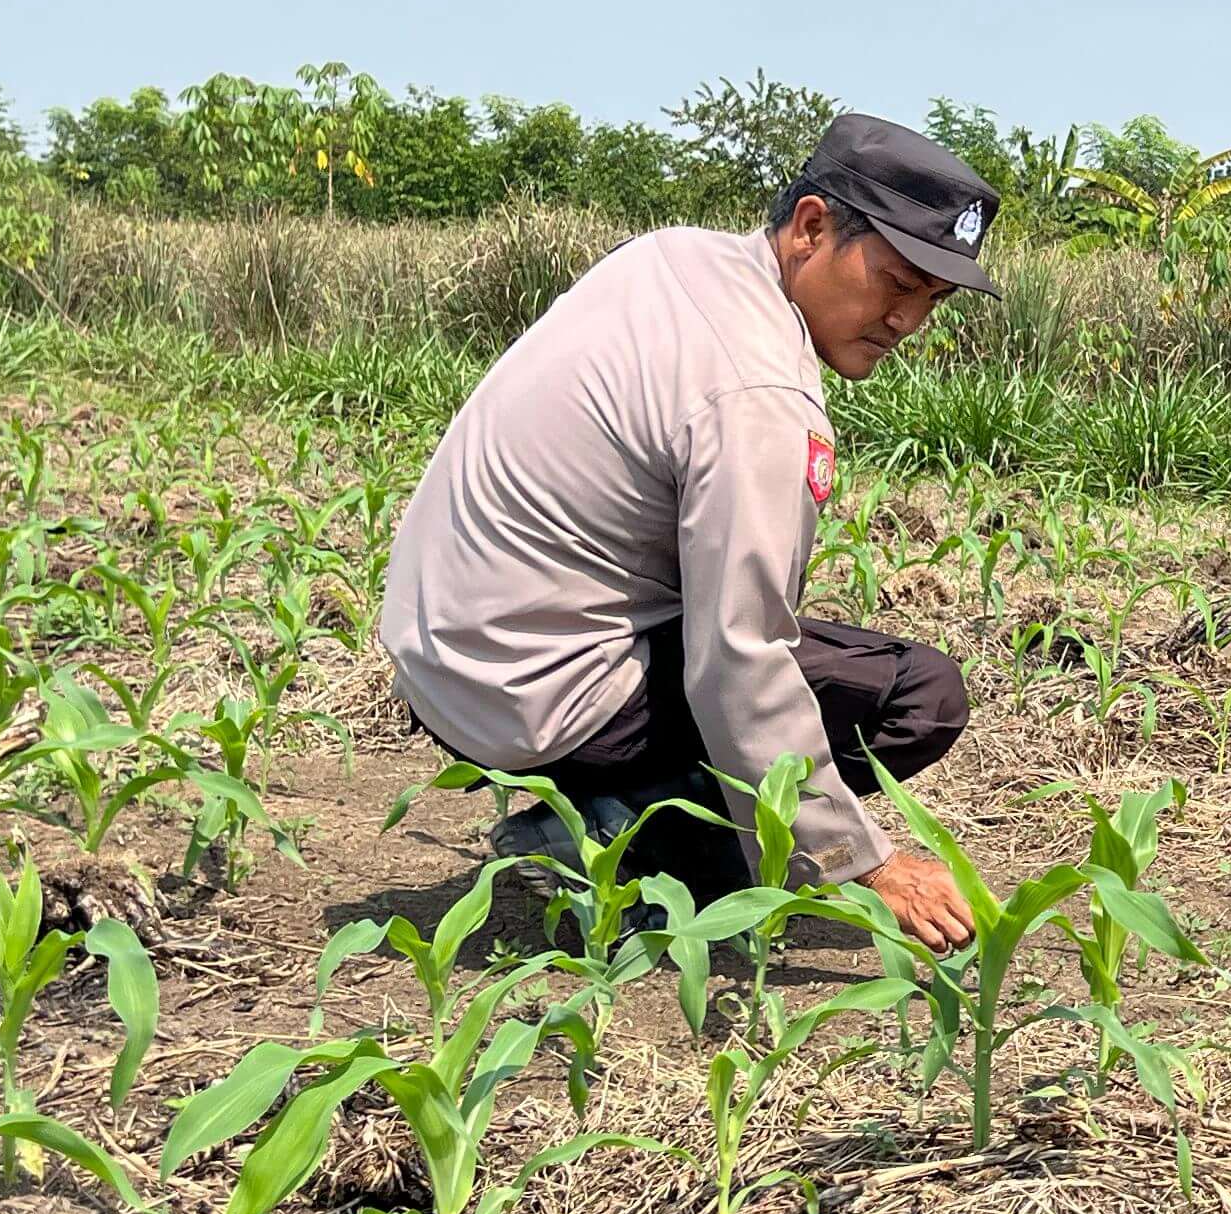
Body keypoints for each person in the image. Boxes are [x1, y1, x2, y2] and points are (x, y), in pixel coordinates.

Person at [379, 112, 996, 946]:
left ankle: (605, 810)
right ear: (812, 227)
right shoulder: (758, 388)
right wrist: (860, 861)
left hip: (441, 659)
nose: (907, 321)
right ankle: (625, 845)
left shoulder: (674, 257)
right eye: (896, 282)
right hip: (536, 689)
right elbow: (739, 658)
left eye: (933, 298)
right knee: (917, 696)